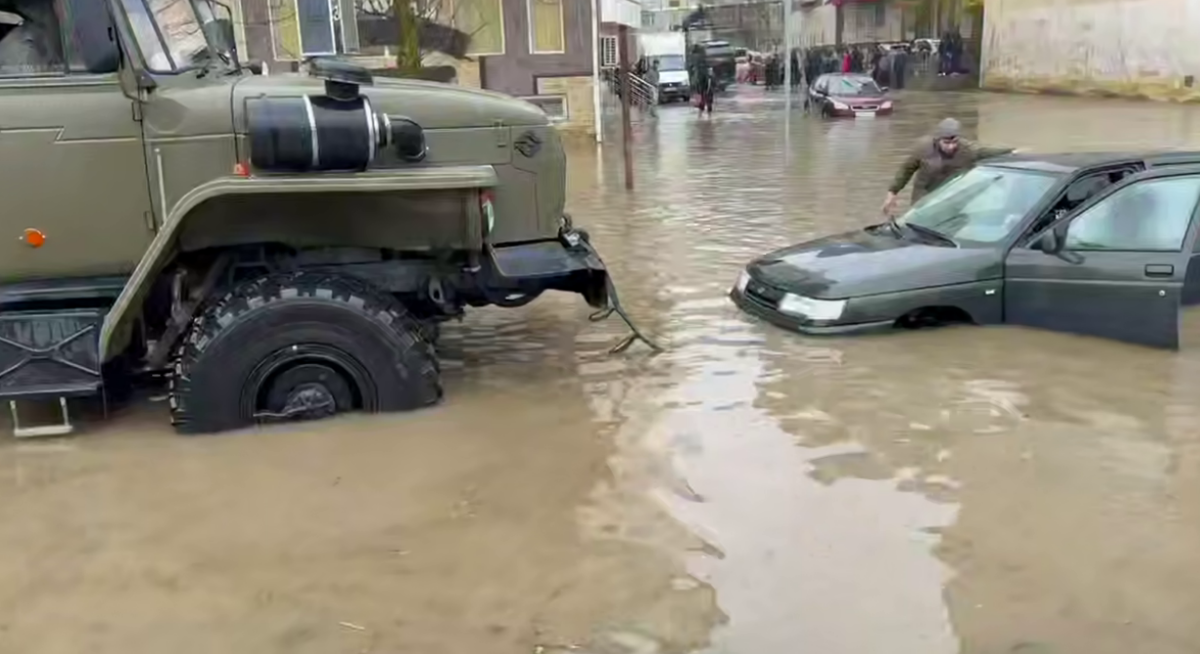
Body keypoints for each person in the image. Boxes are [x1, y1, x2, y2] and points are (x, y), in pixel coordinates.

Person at [882, 118, 1017, 215]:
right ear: (938, 139)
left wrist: (1013, 151)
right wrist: (892, 193)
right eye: (946, 143)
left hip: (952, 199)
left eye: (955, 142)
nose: (951, 146)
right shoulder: (923, 148)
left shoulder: (968, 150)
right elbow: (906, 169)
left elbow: (988, 151)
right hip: (923, 197)